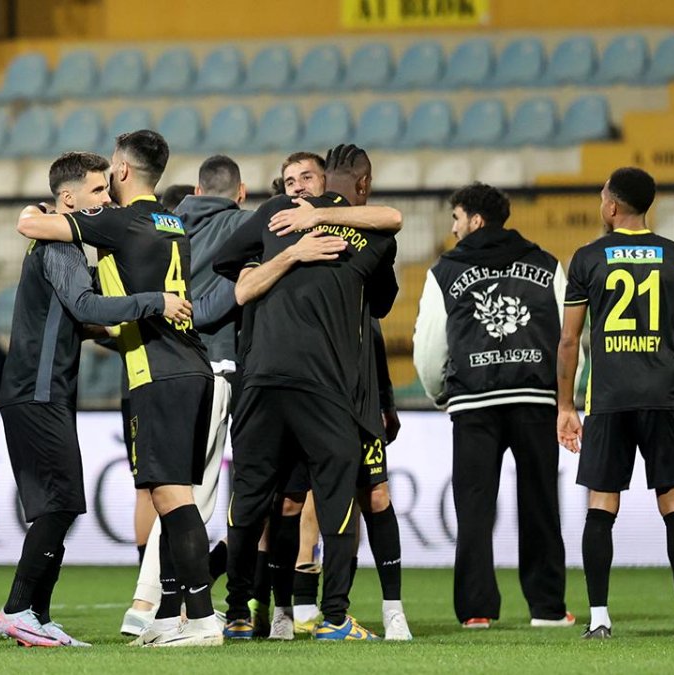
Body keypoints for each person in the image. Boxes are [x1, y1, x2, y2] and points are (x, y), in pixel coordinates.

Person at [17, 130, 222, 647]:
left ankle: (199, 620)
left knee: (173, 498)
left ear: (124, 171)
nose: (107, 181)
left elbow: (29, 224)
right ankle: (167, 617)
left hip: (159, 371)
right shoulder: (173, 221)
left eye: (111, 170)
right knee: (168, 492)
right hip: (190, 364)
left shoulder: (118, 219)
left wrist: (42, 210)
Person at [214, 143, 401, 642]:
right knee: (323, 499)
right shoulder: (295, 220)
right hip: (311, 387)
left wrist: (265, 265)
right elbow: (383, 294)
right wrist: (279, 261)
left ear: (325, 184)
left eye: (307, 178)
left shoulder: (294, 217)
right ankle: (326, 617)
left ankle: (252, 613)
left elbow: (225, 260)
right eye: (291, 179)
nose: (298, 186)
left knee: (262, 501)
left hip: (283, 381)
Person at [556, 168, 674, 639]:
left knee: (601, 507)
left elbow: (568, 340)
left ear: (612, 207)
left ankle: (599, 620)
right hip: (664, 398)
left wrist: (565, 406)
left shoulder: (587, 259)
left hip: (608, 400)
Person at [412, 182, 572, 630]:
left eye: (456, 218)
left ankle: (476, 610)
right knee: (541, 504)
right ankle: (547, 609)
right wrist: (567, 396)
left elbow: (428, 346)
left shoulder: (445, 270)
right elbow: (569, 337)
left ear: (476, 220)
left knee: (475, 508)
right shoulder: (545, 263)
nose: (453, 227)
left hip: (474, 404)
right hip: (536, 399)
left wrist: (440, 393)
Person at [120, 155, 247, 636]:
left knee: (172, 489)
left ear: (195, 190)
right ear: (241, 192)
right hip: (218, 369)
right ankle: (155, 603)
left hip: (163, 369)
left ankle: (160, 603)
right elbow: (211, 304)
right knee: (192, 498)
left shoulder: (168, 223)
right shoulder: (247, 225)